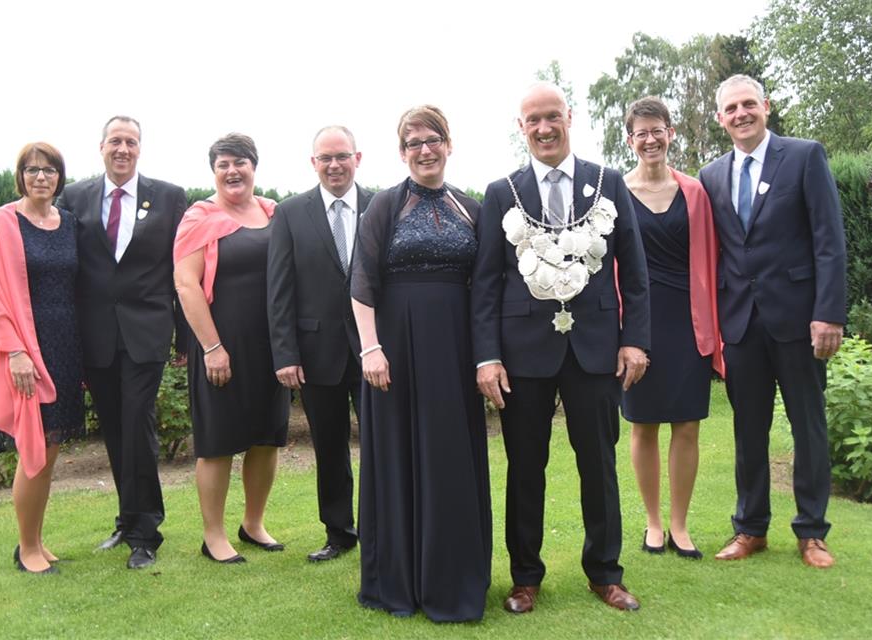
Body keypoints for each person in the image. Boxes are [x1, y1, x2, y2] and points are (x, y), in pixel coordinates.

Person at [472, 83, 650, 612]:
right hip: (522, 354)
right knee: (525, 467)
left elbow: (635, 273)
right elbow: (485, 284)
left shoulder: (607, 181)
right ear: (521, 127)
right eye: (533, 120)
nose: (544, 128)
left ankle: (605, 573)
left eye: (553, 117)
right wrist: (487, 355)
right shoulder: (502, 192)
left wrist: (635, 340)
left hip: (596, 349)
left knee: (599, 464)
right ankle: (525, 576)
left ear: (569, 117)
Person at [699, 75, 847, 569]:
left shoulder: (805, 156)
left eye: (748, 105)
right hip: (740, 323)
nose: (740, 114)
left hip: (800, 320)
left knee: (808, 426)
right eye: (731, 109)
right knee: (748, 430)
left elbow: (829, 240)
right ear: (720, 118)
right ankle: (750, 528)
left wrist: (828, 313)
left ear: (765, 106)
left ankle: (811, 532)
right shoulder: (711, 175)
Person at [350, 106, 491, 622]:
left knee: (450, 454)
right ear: (402, 152)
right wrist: (370, 348)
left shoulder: (472, 208)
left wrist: (485, 356)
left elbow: (486, 288)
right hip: (394, 355)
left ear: (449, 144)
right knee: (397, 457)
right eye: (413, 143)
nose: (424, 150)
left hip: (454, 352)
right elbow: (362, 284)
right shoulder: (385, 206)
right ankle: (398, 581)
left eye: (433, 140)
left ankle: (452, 577)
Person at [57, 116, 188, 569]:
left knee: (138, 423)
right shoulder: (74, 197)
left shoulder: (169, 197)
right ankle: (126, 517)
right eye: (116, 140)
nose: (123, 148)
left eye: (131, 142)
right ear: (101, 147)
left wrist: (185, 338)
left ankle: (146, 533)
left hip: (147, 331)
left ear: (140, 149)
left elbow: (183, 271)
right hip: (96, 335)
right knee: (113, 429)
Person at [174, 133, 290, 564]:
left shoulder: (275, 214)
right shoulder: (198, 217)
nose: (232, 171)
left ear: (254, 167)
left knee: (266, 437)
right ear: (214, 171)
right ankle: (213, 535)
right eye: (223, 164)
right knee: (218, 442)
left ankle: (253, 523)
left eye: (240, 162)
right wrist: (211, 347)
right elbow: (186, 285)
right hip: (220, 346)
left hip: (271, 347)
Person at [620, 97, 724, 559]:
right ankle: (653, 523)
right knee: (642, 425)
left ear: (670, 133)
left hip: (689, 319)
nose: (649, 139)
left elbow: (712, 258)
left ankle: (680, 526)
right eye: (640, 132)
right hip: (638, 322)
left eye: (656, 129)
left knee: (687, 425)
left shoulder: (695, 192)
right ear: (630, 140)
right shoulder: (615, 194)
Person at [0, 142, 84, 574]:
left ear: (60, 177)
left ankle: (37, 540)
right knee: (33, 450)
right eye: (32, 170)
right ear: (20, 175)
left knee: (51, 447)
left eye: (50, 170)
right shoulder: (0, 223)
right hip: (22, 350)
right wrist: (15, 351)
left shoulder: (70, 224)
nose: (41, 177)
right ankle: (27, 549)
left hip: (63, 346)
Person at [267, 126, 373, 562]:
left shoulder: (382, 206)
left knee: (382, 444)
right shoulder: (291, 213)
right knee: (329, 448)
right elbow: (279, 289)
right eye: (325, 158)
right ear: (313, 163)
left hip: (374, 351)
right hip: (316, 353)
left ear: (357, 158)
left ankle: (381, 528)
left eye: (341, 156)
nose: (334, 165)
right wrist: (286, 353)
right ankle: (339, 533)